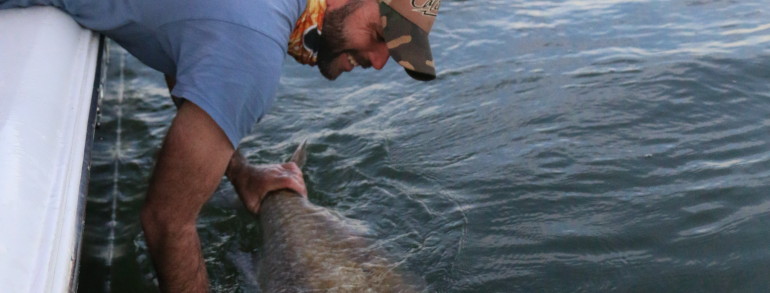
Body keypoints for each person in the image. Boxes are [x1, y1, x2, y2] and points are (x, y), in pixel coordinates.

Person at [0, 0, 440, 291]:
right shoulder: (254, 46)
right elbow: (166, 222)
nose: (381, 62)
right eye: (381, 36)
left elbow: (190, 63)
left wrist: (242, 173)